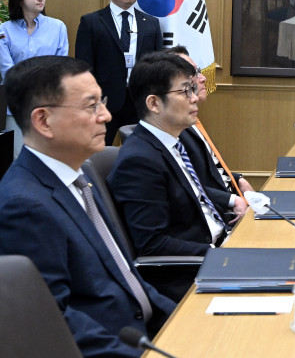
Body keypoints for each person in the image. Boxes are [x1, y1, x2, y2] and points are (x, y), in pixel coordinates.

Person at [0, 56, 175, 357]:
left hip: (148, 335)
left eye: (102, 102)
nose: (106, 115)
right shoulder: (24, 206)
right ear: (43, 120)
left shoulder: (80, 177)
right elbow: (52, 321)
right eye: (91, 106)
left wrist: (185, 321)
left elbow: (127, 278)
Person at [107, 53, 238, 300]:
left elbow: (194, 196)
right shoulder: (140, 161)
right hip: (191, 275)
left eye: (193, 89)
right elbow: (153, 244)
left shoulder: (173, 143)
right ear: (154, 103)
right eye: (185, 91)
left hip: (218, 246)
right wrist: (220, 252)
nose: (194, 97)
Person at [76, 0, 163, 145]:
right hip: (104, 100)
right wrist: (91, 99)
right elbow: (84, 66)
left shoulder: (151, 23)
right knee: (97, 149)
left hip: (140, 101)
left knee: (140, 150)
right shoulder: (91, 22)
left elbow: (158, 64)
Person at [165, 46, 253, 214]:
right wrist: (232, 200)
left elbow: (209, 169)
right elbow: (188, 184)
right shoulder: (175, 129)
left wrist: (238, 179)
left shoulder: (191, 122)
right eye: (194, 73)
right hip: (216, 213)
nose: (203, 78)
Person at [0, 0, 69, 157]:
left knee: (48, 158)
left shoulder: (58, 27)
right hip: (16, 106)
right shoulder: (4, 30)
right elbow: (8, 71)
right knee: (17, 158)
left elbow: (60, 68)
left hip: (49, 104)